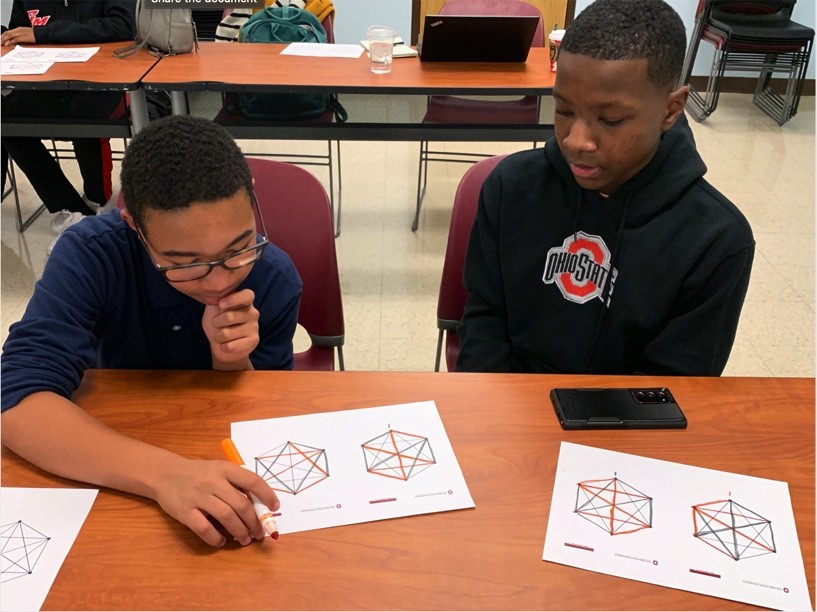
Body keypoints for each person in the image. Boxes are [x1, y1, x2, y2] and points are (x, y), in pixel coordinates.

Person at [1, 115, 303, 547]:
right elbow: (16, 402)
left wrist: (231, 357)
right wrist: (166, 475)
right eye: (183, 263)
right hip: (106, 457)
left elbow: (262, 422)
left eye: (238, 248)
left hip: (213, 458)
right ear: (134, 228)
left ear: (252, 200)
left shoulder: (274, 276)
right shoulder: (91, 256)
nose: (219, 282)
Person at [456, 0, 754, 376]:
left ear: (671, 110)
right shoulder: (510, 186)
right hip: (508, 410)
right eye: (564, 111)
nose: (576, 141)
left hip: (625, 427)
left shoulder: (716, 240)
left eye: (610, 119)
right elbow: (484, 318)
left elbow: (675, 387)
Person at [1, 0, 135, 235]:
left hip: (101, 79)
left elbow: (123, 26)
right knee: (7, 119)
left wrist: (44, 33)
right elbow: (21, 35)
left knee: (85, 117)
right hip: (44, 81)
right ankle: (69, 205)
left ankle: (96, 198)